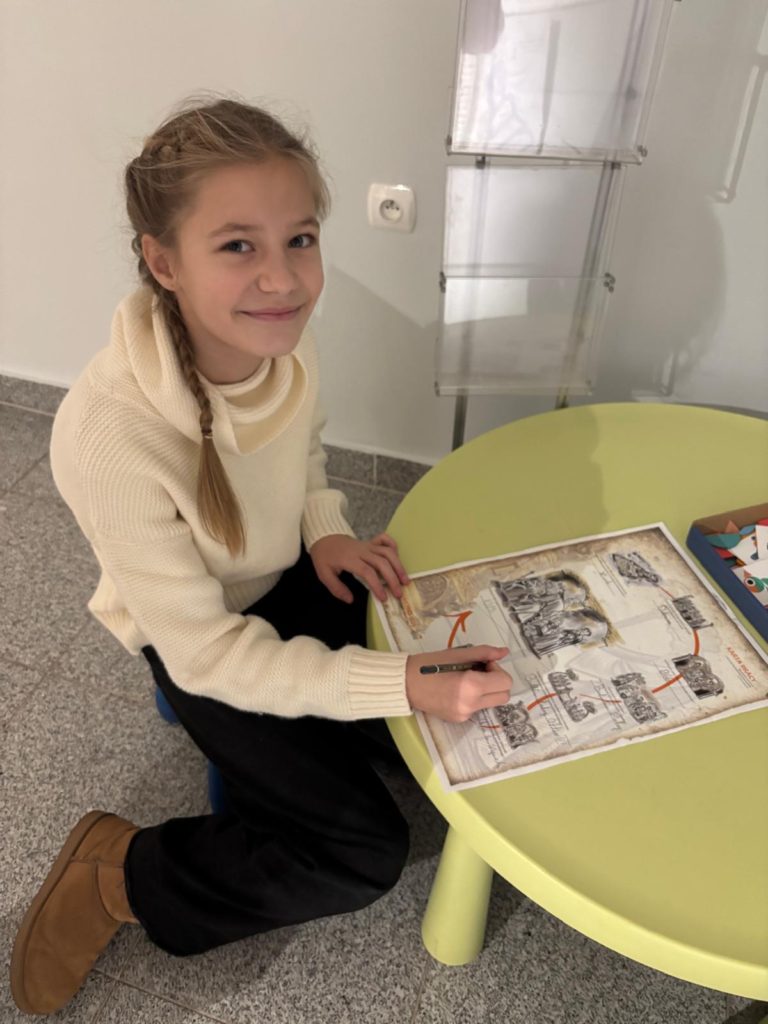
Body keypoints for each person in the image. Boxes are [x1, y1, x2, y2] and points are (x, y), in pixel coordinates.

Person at [10, 95, 512, 1016]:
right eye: (238, 245)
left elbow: (302, 444)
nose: (283, 279)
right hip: (202, 639)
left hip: (285, 575)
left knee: (444, 709)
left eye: (301, 239)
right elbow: (206, 652)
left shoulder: (281, 338)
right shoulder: (107, 435)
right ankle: (120, 872)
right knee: (361, 853)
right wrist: (399, 683)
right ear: (164, 262)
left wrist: (326, 529)